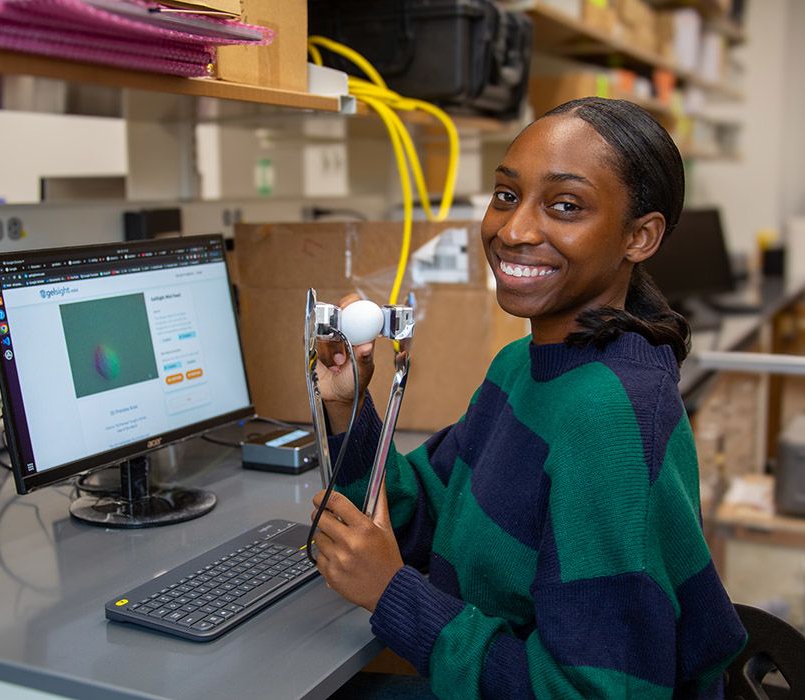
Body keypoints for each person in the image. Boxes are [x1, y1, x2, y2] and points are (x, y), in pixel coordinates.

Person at [311, 97, 747, 699]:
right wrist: (348, 407)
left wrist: (393, 594)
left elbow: (590, 693)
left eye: (565, 206)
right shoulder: (522, 366)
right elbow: (425, 514)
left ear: (640, 237)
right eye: (507, 196)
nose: (513, 231)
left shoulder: (609, 418)